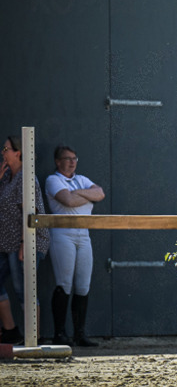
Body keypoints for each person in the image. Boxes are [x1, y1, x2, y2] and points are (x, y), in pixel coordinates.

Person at [45, 144, 105, 347]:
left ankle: (80, 334)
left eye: (74, 158)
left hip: (84, 234)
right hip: (63, 233)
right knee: (64, 283)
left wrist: (77, 193)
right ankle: (59, 333)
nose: (72, 162)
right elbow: (67, 200)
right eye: (67, 158)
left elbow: (100, 194)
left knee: (83, 285)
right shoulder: (53, 179)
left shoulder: (81, 179)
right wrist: (86, 196)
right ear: (57, 161)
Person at [0, 135, 51, 344]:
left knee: (24, 288)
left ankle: (34, 338)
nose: (3, 153)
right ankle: (11, 330)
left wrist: (24, 244)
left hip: (25, 242)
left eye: (6, 149)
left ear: (18, 153)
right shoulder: (5, 177)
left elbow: (29, 213)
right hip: (6, 243)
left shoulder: (26, 178)